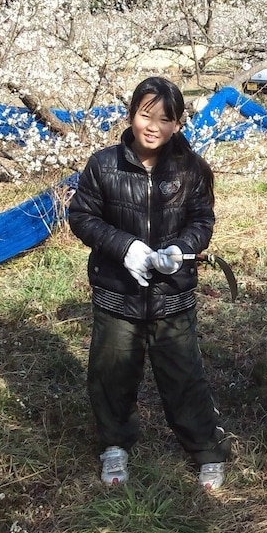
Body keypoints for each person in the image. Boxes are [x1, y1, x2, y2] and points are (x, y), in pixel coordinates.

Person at [69, 75, 231, 490]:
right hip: (117, 293)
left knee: (183, 375)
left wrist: (181, 248)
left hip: (171, 296)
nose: (154, 127)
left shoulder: (189, 168)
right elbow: (82, 216)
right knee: (111, 373)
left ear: (177, 123)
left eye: (165, 119)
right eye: (146, 115)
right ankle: (114, 444)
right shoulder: (103, 164)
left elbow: (202, 220)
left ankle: (206, 450)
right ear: (131, 115)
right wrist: (124, 247)